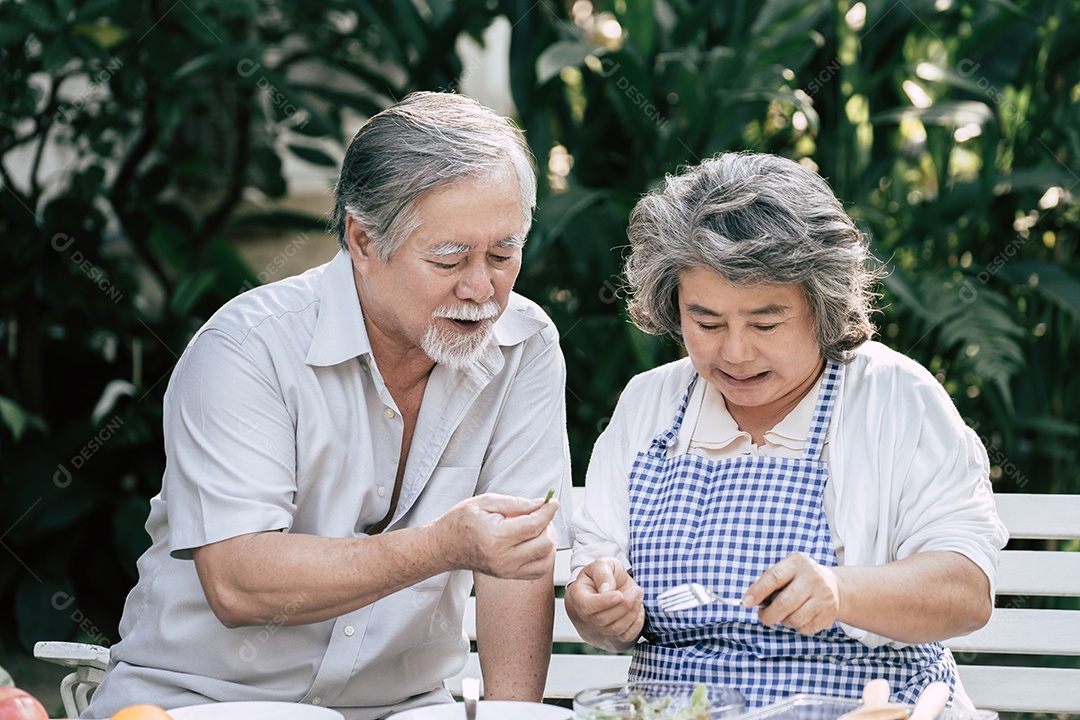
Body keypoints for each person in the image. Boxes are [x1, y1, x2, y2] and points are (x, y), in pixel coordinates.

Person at [84, 91, 573, 720]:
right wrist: (443, 546)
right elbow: (237, 581)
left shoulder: (523, 345)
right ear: (363, 241)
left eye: (504, 255)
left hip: (403, 709)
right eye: (449, 258)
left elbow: (515, 560)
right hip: (201, 703)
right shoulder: (246, 347)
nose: (482, 288)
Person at [565, 151, 1008, 711]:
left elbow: (966, 592)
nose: (734, 351)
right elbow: (597, 590)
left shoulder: (897, 397)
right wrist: (599, 610)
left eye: (765, 322)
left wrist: (842, 591)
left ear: (822, 308)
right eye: (705, 322)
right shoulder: (648, 405)